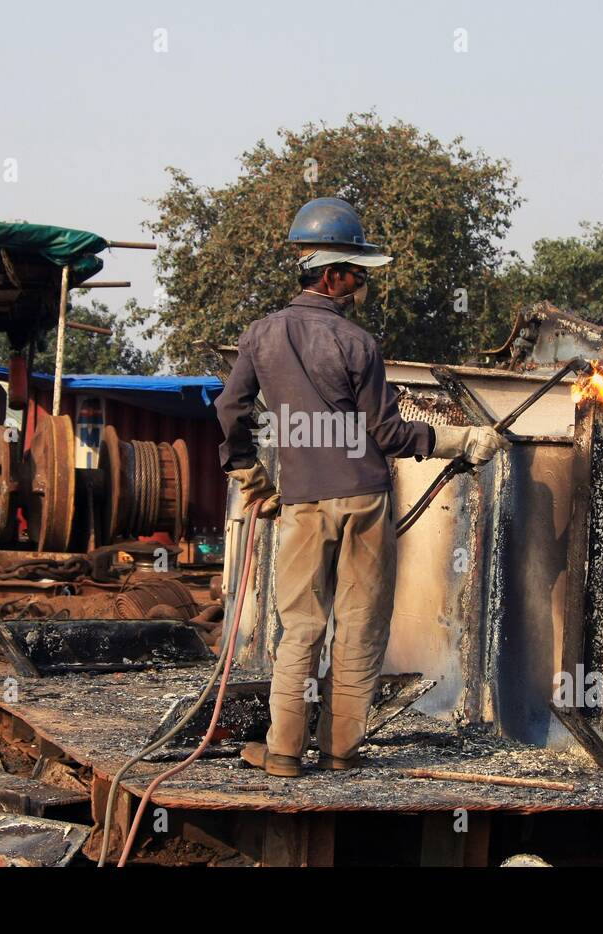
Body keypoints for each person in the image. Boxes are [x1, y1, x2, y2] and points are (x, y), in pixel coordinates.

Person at [215, 197, 509, 777]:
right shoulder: (358, 345)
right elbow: (390, 433)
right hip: (366, 499)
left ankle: (283, 754)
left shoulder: (260, 336)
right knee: (359, 626)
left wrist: (250, 477)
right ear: (330, 274)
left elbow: (230, 408)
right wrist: (461, 441)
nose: (362, 282)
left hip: (301, 501)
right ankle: (341, 751)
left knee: (299, 627)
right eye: (357, 272)